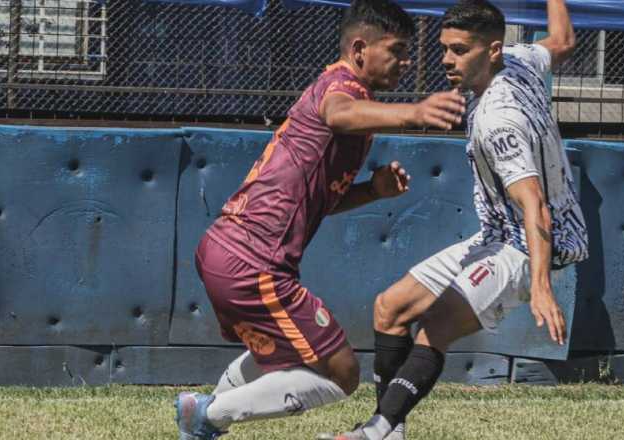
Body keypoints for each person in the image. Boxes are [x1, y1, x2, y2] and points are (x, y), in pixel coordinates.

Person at [174, 1, 466, 438]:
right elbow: (337, 113)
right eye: (398, 50)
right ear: (360, 48)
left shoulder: (351, 96)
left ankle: (205, 420)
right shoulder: (341, 86)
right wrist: (415, 112)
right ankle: (206, 415)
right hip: (253, 261)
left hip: (229, 251)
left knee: (289, 350)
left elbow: (319, 199)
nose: (406, 62)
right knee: (342, 373)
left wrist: (372, 191)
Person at [323, 0, 586, 438]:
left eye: (460, 50)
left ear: (493, 50)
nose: (447, 59)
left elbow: (534, 204)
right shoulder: (520, 60)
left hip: (530, 246)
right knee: (390, 308)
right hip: (497, 234)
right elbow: (562, 42)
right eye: (445, 48)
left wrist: (540, 286)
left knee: (438, 324)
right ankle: (392, 428)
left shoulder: (499, 121)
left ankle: (377, 431)